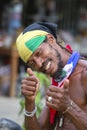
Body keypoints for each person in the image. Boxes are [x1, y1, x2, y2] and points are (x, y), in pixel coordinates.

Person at [16, 22, 87, 130]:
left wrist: (68, 107)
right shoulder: (58, 82)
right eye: (32, 63)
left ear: (51, 39)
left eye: (38, 53)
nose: (39, 64)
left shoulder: (84, 74)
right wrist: (29, 102)